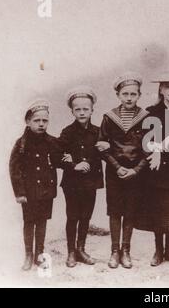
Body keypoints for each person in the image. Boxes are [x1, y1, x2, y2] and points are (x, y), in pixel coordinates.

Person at [136, 68, 169, 267]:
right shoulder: (151, 113)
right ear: (160, 90)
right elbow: (143, 140)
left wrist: (162, 147)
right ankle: (158, 250)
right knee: (158, 211)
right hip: (157, 170)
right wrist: (154, 150)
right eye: (167, 87)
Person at [97, 73, 149, 269]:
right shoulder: (109, 118)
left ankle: (126, 251)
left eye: (133, 94)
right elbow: (102, 147)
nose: (129, 98)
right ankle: (114, 251)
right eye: (125, 94)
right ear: (118, 95)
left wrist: (136, 170)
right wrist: (117, 167)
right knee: (115, 212)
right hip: (115, 173)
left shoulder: (146, 118)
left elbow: (149, 149)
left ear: (139, 95)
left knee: (130, 211)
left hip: (135, 174)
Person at [9, 99, 61, 271]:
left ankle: (39, 253)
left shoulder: (52, 142)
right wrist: (20, 193)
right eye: (36, 120)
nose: (41, 124)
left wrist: (67, 159)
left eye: (44, 121)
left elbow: (59, 159)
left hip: (46, 190)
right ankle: (28, 255)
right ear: (28, 122)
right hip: (29, 192)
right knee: (29, 222)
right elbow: (14, 168)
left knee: (42, 222)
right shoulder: (22, 143)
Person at [57, 86, 104, 268]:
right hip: (72, 183)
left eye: (86, 109)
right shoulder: (68, 132)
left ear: (92, 110)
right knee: (73, 216)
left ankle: (81, 249)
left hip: (91, 181)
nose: (82, 112)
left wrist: (89, 161)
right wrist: (73, 164)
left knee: (86, 216)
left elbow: (102, 152)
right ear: (72, 111)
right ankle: (71, 252)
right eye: (78, 109)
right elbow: (56, 156)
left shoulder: (98, 131)